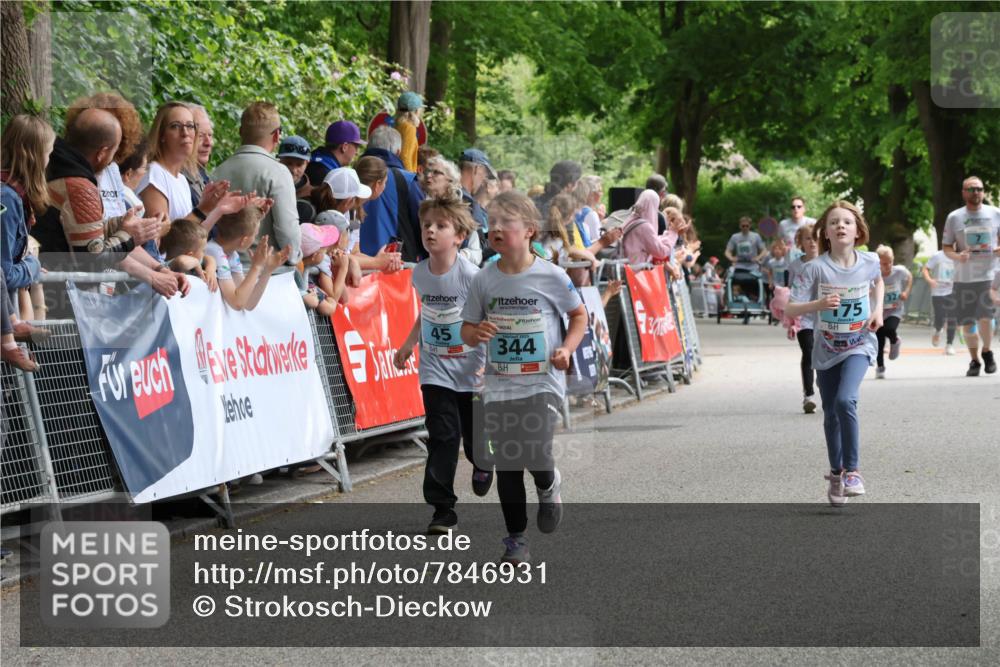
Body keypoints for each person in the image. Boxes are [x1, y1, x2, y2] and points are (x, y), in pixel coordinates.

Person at [460, 191, 588, 564]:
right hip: (500, 384)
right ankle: (516, 539)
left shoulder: (551, 275)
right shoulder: (484, 279)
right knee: (508, 463)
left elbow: (579, 315)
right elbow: (466, 329)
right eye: (492, 222)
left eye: (506, 222)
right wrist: (476, 333)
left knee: (533, 447)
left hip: (542, 381)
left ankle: (548, 484)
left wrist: (566, 349)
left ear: (530, 230)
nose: (496, 228)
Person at [393, 195, 489, 534]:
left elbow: (489, 320)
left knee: (474, 439)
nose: (430, 231)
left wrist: (488, 363)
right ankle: (443, 510)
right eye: (426, 225)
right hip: (435, 367)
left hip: (471, 368)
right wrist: (409, 343)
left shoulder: (471, 276)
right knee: (442, 435)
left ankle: (483, 462)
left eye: (440, 226)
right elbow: (429, 312)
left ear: (459, 236)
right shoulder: (420, 273)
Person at [786, 202, 883, 507]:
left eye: (847, 222)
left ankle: (853, 471)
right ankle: (836, 473)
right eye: (834, 222)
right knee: (830, 413)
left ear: (858, 231)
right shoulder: (814, 268)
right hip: (826, 348)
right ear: (825, 233)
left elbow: (878, 281)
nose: (841, 226)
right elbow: (790, 308)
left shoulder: (870, 261)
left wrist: (878, 310)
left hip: (859, 344)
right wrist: (818, 305)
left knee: (846, 400)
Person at [212, 101, 302, 269]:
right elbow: (287, 229)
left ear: (240, 132)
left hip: (220, 267)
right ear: (276, 135)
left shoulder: (218, 171)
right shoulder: (278, 172)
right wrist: (295, 256)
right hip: (264, 271)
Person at [941, 175, 1000, 376]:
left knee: (986, 316)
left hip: (987, 275)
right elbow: (947, 247)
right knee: (967, 322)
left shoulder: (995, 213)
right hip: (963, 277)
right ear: (963, 192)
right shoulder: (954, 217)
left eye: (979, 189)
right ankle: (974, 360)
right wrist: (958, 256)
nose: (976, 192)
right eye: (971, 189)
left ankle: (987, 351)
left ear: (983, 192)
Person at [2, 115, 51, 337]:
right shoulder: (7, 199)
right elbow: (4, 274)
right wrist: (32, 265)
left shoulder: (14, 196)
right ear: (35, 158)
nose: (49, 161)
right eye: (48, 153)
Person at [206, 205, 289, 311]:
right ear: (244, 240)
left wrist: (267, 271)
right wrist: (256, 267)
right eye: (255, 235)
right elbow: (237, 303)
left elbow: (248, 303)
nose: (254, 239)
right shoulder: (215, 252)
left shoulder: (232, 255)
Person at [359, 126, 423, 261]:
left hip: (354, 262)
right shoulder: (407, 181)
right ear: (398, 152)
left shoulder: (350, 175)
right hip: (395, 263)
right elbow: (422, 223)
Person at [423, 156, 481, 266]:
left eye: (436, 172)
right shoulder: (420, 204)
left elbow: (476, 253)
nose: (429, 175)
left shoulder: (465, 206)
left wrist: (459, 256)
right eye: (427, 171)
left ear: (450, 179)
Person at [787, 224, 819, 413]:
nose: (812, 242)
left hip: (824, 317)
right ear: (801, 242)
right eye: (808, 238)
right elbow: (788, 291)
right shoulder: (795, 266)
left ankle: (827, 389)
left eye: (816, 238)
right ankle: (809, 395)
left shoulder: (828, 262)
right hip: (803, 317)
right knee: (808, 351)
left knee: (824, 354)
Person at [874, 245, 912, 379]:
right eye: (884, 263)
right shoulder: (874, 274)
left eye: (890, 262)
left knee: (889, 329)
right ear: (878, 263)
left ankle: (894, 340)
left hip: (895, 309)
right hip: (878, 311)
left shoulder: (899, 271)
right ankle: (880, 367)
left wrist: (906, 292)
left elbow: (910, 277)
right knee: (879, 340)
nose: (888, 265)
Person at [620, 190, 677, 266]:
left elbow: (654, 242)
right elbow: (661, 252)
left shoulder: (632, 218)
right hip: (636, 270)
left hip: (626, 267)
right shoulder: (644, 227)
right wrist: (673, 233)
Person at [160, 219, 218, 291]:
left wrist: (210, 271)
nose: (204, 253)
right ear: (189, 255)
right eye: (203, 250)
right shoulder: (169, 265)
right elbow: (181, 261)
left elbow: (210, 258)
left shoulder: (195, 259)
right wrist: (197, 263)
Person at [306, 120, 365, 186]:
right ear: (344, 147)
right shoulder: (329, 176)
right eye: (356, 147)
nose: (357, 152)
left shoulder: (311, 159)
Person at [921, 249, 957, 355]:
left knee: (952, 317)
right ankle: (937, 330)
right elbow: (925, 269)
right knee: (940, 317)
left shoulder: (959, 256)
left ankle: (949, 344)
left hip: (953, 290)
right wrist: (930, 280)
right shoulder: (938, 256)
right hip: (938, 291)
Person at [724, 216, 767, 302]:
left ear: (750, 226)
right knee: (733, 281)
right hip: (740, 266)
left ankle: (755, 299)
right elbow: (727, 251)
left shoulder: (756, 236)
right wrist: (731, 258)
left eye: (747, 226)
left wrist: (758, 258)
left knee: (756, 283)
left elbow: (764, 250)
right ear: (740, 226)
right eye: (743, 226)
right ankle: (735, 299)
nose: (745, 228)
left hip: (753, 267)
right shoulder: (735, 237)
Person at [185, 104, 214, 206]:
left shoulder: (201, 174)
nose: (208, 143)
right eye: (200, 136)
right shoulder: (175, 178)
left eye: (210, 135)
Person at [394, 91, 424, 173]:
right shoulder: (409, 128)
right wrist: (410, 177)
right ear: (416, 111)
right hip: (405, 174)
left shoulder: (398, 125)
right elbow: (405, 156)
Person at [277, 135, 312, 199]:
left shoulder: (312, 196)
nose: (293, 170)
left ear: (307, 164)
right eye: (288, 163)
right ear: (279, 161)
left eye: (299, 165)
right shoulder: (266, 185)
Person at [572, 175, 603, 244]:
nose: (601, 194)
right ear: (591, 194)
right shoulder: (590, 214)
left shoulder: (573, 209)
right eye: (600, 191)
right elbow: (599, 241)